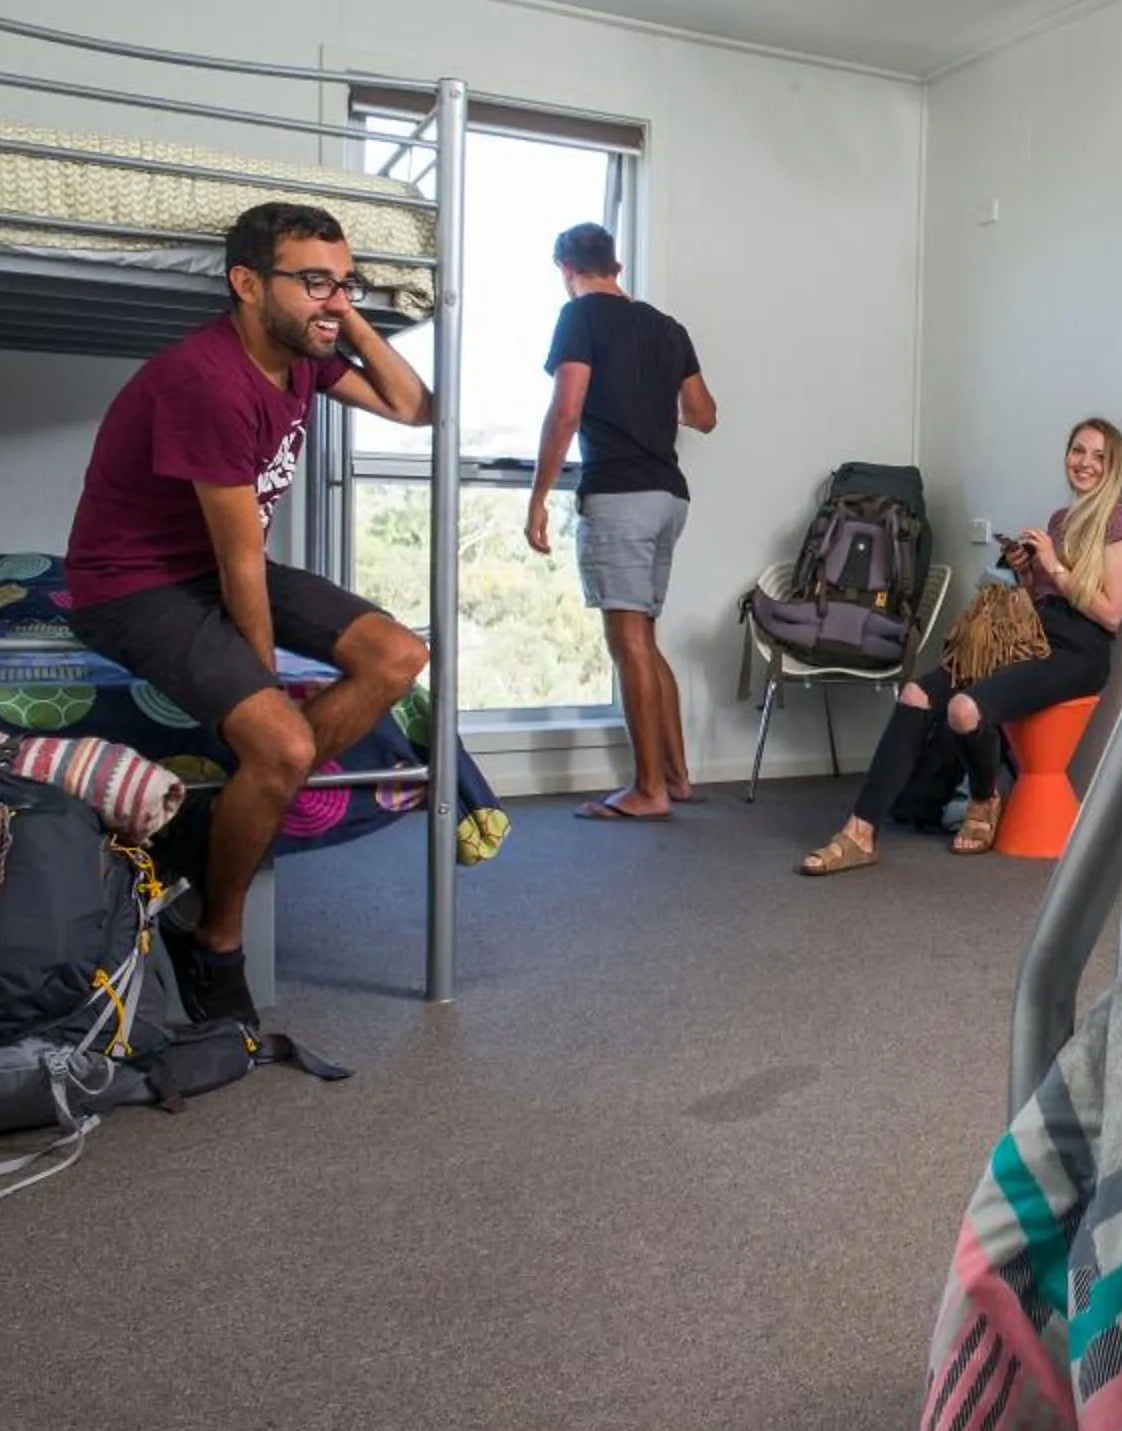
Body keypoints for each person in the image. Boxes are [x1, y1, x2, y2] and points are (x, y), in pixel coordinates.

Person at [66, 201, 436, 1030]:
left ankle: (244, 806)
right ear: (245, 283)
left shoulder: (303, 354)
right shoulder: (207, 379)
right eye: (312, 282)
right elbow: (238, 565)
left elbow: (417, 409)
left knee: (399, 655)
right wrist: (263, 698)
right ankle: (216, 937)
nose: (332, 300)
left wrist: (349, 321)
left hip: (215, 565)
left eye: (344, 283)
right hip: (134, 583)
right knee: (282, 740)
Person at [800, 419, 1122, 874]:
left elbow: (1112, 613)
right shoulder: (1062, 520)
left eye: (1098, 456)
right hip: (1030, 636)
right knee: (916, 694)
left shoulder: (1120, 522)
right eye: (1077, 451)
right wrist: (1025, 570)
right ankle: (859, 832)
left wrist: (1054, 566)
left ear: (1114, 466)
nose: (1084, 463)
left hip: (1079, 650)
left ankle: (983, 799)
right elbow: (1042, 597)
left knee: (964, 710)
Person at [524, 221, 717, 820]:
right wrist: (646, 403)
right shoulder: (666, 328)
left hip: (620, 494)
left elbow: (566, 412)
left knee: (627, 640)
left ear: (565, 268)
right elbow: (704, 415)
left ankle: (648, 790)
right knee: (644, 639)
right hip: (669, 498)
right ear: (617, 267)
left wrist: (537, 500)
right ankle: (677, 778)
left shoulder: (579, 317)